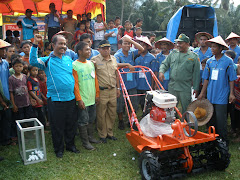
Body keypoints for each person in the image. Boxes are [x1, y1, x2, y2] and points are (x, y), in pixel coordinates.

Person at [30, 34, 79, 158]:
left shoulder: (68, 59)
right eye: (60, 43)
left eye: (64, 44)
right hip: (56, 100)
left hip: (70, 98)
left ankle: (70, 145)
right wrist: (35, 43)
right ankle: (59, 149)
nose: (63, 46)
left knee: (71, 124)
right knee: (57, 126)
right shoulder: (47, 60)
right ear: (53, 45)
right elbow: (33, 61)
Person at [198, 36, 237, 144]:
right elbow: (206, 78)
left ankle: (223, 141)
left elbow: (231, 79)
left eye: (214, 47)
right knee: (211, 118)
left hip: (222, 95)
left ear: (221, 48)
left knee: (221, 119)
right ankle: (212, 140)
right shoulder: (210, 62)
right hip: (211, 94)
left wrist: (232, 93)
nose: (212, 49)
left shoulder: (228, 61)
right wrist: (202, 93)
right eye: (211, 47)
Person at [159, 34, 200, 114]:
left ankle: (186, 124)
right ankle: (172, 124)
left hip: (185, 86)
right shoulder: (173, 54)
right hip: (173, 86)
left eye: (181, 43)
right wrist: (161, 71)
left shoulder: (193, 57)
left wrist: (196, 87)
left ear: (187, 44)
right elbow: (165, 64)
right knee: (170, 108)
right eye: (177, 43)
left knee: (187, 108)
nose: (178, 45)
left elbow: (196, 74)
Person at [91, 40, 120, 143]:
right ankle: (102, 134)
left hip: (112, 90)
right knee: (101, 113)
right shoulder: (94, 60)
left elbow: (116, 74)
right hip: (102, 91)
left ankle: (110, 133)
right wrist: (96, 93)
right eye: (103, 48)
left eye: (108, 48)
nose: (106, 50)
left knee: (112, 113)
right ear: (99, 49)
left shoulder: (114, 59)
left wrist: (118, 88)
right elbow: (92, 77)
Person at [73, 41, 100, 150]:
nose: (89, 51)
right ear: (80, 51)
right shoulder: (74, 65)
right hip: (83, 99)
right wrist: (79, 99)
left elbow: (95, 80)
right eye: (87, 49)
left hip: (92, 97)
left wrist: (97, 94)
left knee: (91, 119)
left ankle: (91, 137)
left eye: (90, 49)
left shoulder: (90, 63)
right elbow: (75, 84)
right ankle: (85, 142)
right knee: (83, 120)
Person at [114, 35, 144, 130]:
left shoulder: (132, 53)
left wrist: (131, 41)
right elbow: (115, 64)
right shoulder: (118, 55)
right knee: (120, 104)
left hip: (132, 84)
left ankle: (131, 120)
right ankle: (121, 121)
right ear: (121, 45)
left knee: (134, 104)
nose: (127, 45)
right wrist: (127, 64)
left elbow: (142, 49)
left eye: (128, 44)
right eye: (125, 43)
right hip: (122, 84)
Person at [135, 37, 156, 110]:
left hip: (147, 85)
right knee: (139, 102)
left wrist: (153, 86)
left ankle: (146, 115)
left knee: (147, 103)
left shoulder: (151, 58)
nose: (141, 47)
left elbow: (153, 73)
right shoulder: (136, 57)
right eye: (140, 45)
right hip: (138, 84)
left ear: (147, 47)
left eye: (143, 45)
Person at [0, 39, 12, 147]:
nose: (4, 52)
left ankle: (6, 140)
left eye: (5, 49)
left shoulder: (5, 63)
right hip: (0, 98)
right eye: (2, 50)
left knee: (6, 119)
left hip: (6, 95)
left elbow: (8, 79)